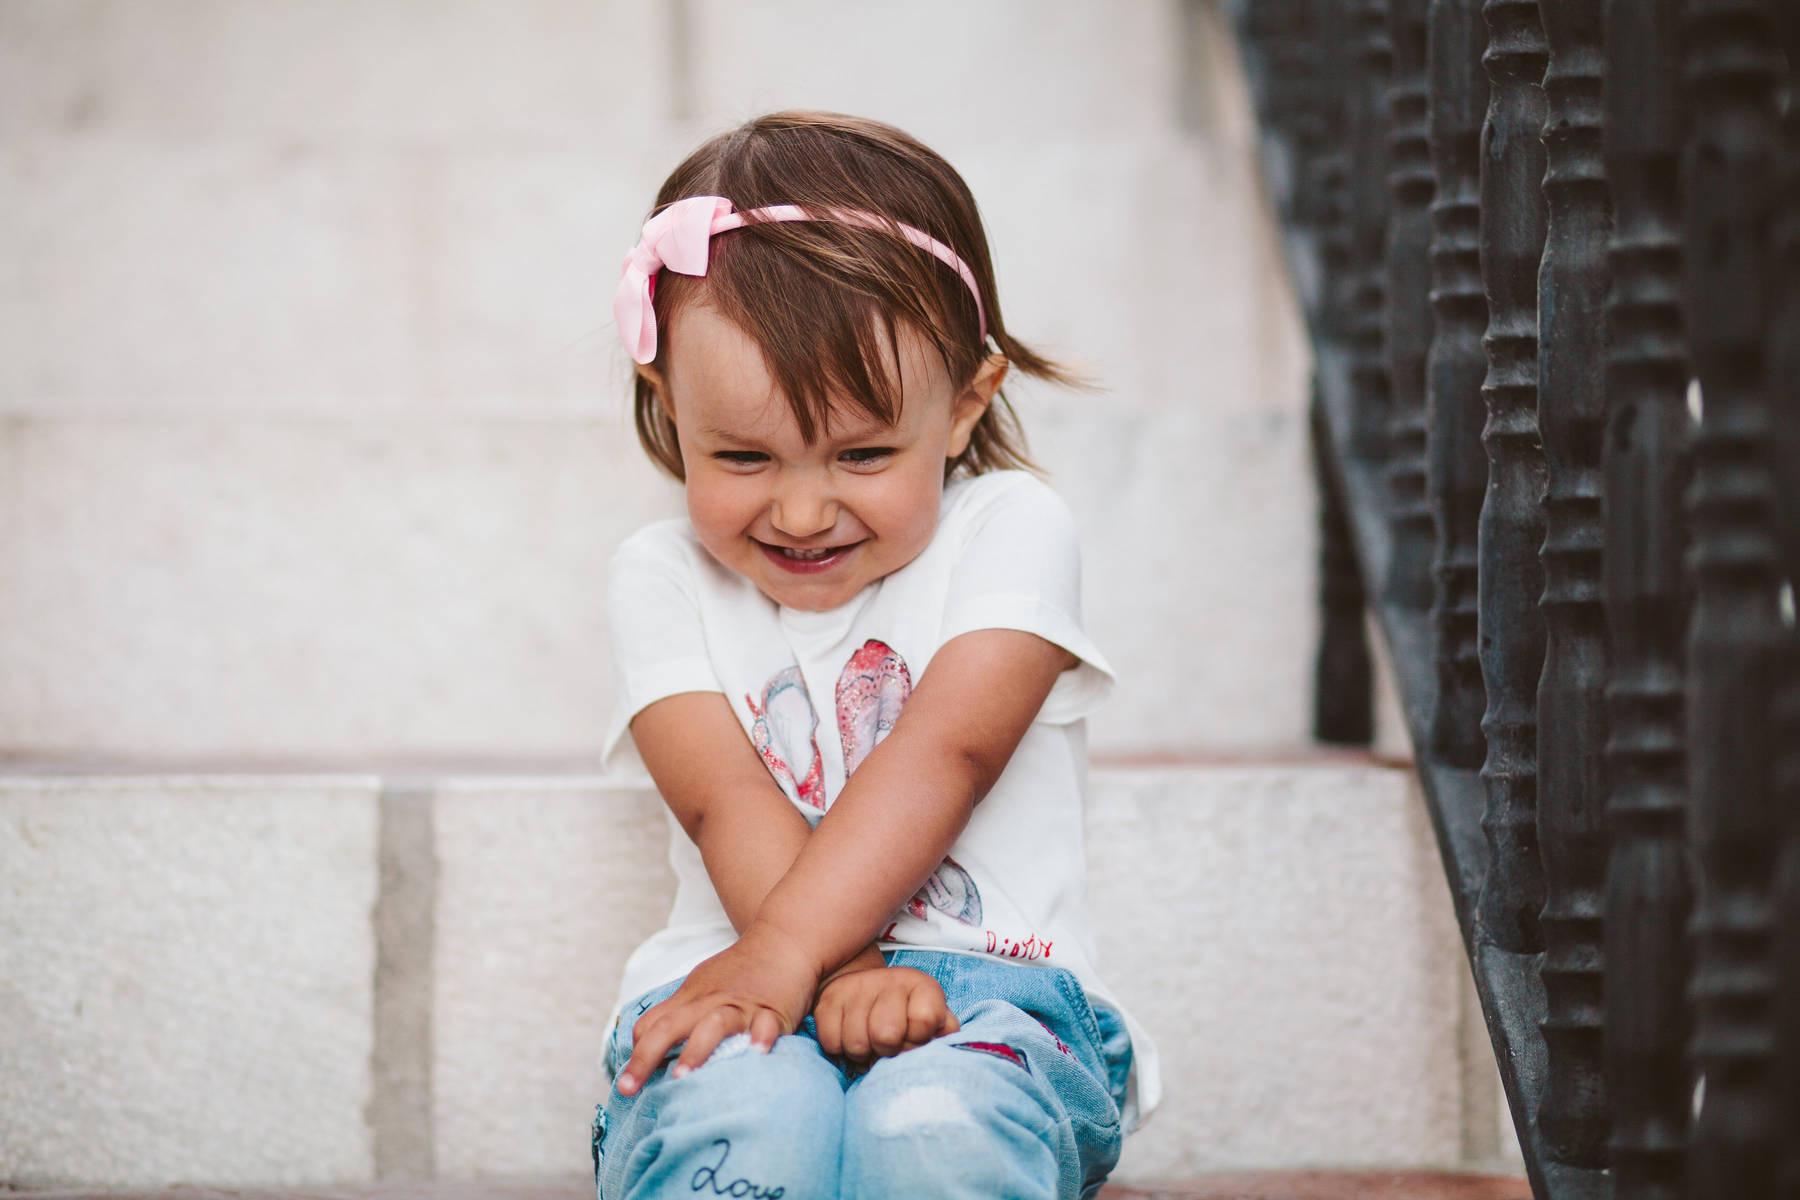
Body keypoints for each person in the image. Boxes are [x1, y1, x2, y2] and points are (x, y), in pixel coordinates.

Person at [593, 110, 1160, 1200]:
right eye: (743, 455)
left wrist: (815, 961)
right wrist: (825, 967)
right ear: (671, 409)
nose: (802, 510)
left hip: (998, 997)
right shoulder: (659, 576)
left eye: (861, 453)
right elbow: (721, 801)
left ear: (966, 406)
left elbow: (948, 751)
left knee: (931, 1130)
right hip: (734, 977)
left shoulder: (1010, 529)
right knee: (747, 1120)